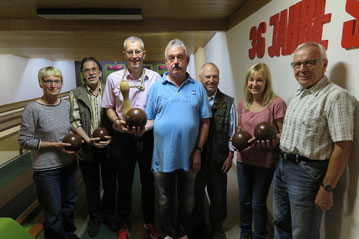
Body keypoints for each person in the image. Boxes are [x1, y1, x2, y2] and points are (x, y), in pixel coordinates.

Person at [273, 42, 355, 239]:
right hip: (283, 168)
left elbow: (343, 147)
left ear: (324, 64)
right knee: (281, 223)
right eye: (297, 64)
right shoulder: (299, 94)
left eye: (309, 63)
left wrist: (327, 188)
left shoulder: (336, 97)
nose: (302, 69)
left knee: (303, 233)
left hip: (307, 175)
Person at [145, 39, 212, 239]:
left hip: (190, 156)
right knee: (165, 200)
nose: (176, 61)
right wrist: (139, 129)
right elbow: (150, 120)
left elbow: (205, 122)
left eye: (180, 57)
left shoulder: (198, 88)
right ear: (165, 62)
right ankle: (167, 232)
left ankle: (183, 232)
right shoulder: (156, 88)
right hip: (162, 156)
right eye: (171, 58)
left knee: (187, 200)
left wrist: (198, 150)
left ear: (187, 60)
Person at [101, 36, 161, 239]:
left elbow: (160, 110)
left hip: (147, 138)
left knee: (148, 183)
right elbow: (109, 107)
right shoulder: (113, 79)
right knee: (124, 184)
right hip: (123, 139)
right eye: (130, 52)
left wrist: (148, 127)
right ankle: (123, 224)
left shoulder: (155, 78)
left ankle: (149, 220)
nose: (134, 56)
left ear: (144, 54)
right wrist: (115, 122)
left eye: (138, 52)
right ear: (124, 55)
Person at [18, 66, 79, 239]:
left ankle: (69, 234)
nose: (53, 85)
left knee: (69, 205)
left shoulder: (65, 105)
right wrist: (54, 145)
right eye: (48, 81)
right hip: (46, 170)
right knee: (53, 211)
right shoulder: (32, 109)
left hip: (69, 164)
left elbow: (68, 128)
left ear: (61, 83)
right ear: (41, 83)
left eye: (56, 81)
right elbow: (24, 141)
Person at [235, 63, 286, 239]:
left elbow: (282, 132)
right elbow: (240, 128)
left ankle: (260, 235)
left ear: (266, 82)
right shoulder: (243, 103)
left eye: (259, 80)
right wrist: (235, 142)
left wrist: (272, 142)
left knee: (257, 203)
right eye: (251, 79)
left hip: (264, 161)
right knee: (244, 201)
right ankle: (244, 234)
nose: (254, 84)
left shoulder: (276, 103)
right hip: (243, 159)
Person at [69, 57, 116, 237]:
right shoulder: (76, 93)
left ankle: (108, 215)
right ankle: (95, 217)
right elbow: (74, 120)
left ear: (100, 72)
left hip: (109, 147)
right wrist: (87, 140)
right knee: (91, 186)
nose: (91, 73)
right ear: (82, 74)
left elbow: (117, 115)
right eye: (87, 70)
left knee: (111, 185)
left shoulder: (110, 90)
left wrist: (112, 138)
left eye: (94, 69)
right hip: (88, 149)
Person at [191, 63, 236, 239]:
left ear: (219, 78)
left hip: (219, 157)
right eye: (207, 77)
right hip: (197, 157)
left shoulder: (228, 102)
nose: (211, 80)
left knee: (218, 195)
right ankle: (199, 225)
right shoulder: (193, 100)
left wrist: (230, 155)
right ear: (200, 79)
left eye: (215, 76)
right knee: (196, 194)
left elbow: (233, 131)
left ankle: (217, 226)